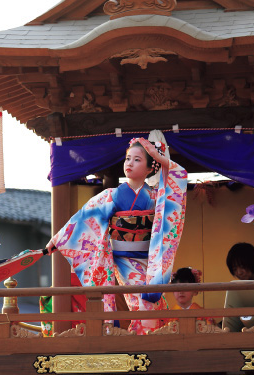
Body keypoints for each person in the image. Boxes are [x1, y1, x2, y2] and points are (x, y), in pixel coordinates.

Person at [45, 135, 188, 335]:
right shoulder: (111, 195)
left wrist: (160, 156)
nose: (129, 163)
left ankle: (148, 340)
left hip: (150, 260)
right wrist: (58, 239)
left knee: (154, 304)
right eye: (128, 158)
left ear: (150, 169)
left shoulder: (156, 196)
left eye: (137, 160)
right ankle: (146, 341)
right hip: (124, 261)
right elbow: (85, 218)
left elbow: (177, 178)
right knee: (142, 303)